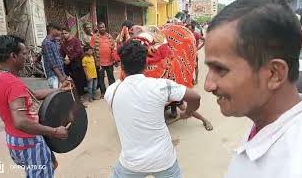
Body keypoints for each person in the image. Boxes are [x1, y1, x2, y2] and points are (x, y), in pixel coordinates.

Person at [204, 0, 302, 177]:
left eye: (220, 69)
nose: (207, 85)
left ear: (274, 74)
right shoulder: (266, 123)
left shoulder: (297, 166)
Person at [105, 40, 201, 177]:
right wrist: (187, 112)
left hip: (132, 164)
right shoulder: (161, 85)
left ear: (122, 66)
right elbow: (195, 97)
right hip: (164, 160)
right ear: (146, 63)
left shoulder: (111, 91)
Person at [0, 35, 71, 177]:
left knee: (49, 166)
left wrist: (59, 90)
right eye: (24, 54)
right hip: (29, 141)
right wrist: (54, 131)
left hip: (14, 140)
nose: (27, 57)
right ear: (13, 56)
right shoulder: (13, 83)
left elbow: (33, 94)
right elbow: (20, 121)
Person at [61, 27, 87, 103]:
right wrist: (62, 60)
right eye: (62, 34)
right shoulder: (63, 44)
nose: (64, 35)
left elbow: (78, 52)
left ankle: (81, 96)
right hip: (70, 63)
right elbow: (61, 54)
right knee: (70, 79)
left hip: (78, 62)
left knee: (79, 79)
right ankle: (74, 95)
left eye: (65, 33)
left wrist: (69, 59)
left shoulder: (76, 40)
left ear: (69, 33)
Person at [90, 22, 115, 98]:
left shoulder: (109, 36)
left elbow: (113, 48)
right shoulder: (94, 37)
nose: (102, 29)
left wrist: (115, 60)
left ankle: (112, 91)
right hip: (100, 62)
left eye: (103, 27)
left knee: (111, 77)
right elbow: (92, 50)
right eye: (100, 27)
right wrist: (96, 61)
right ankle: (103, 92)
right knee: (101, 78)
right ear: (98, 28)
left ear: (105, 27)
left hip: (110, 61)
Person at [42, 23, 67, 88]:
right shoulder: (47, 43)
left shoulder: (54, 42)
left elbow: (59, 59)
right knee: (56, 95)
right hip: (53, 76)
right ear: (51, 29)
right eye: (58, 30)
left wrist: (63, 74)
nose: (60, 32)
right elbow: (52, 63)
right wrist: (61, 76)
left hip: (59, 75)